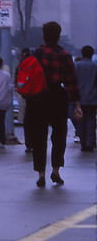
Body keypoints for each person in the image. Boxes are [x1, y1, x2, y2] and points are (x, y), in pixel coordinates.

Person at [25, 21, 82, 187]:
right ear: (58, 36)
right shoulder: (64, 55)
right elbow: (71, 82)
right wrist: (77, 103)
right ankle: (56, 170)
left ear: (44, 35)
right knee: (59, 136)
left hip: (38, 98)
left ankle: (40, 173)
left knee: (39, 137)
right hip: (57, 97)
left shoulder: (35, 54)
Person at [74, 46, 96, 152]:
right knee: (91, 120)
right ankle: (90, 142)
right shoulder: (95, 66)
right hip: (92, 98)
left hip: (79, 98)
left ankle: (83, 142)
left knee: (81, 121)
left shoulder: (76, 66)